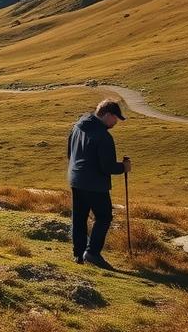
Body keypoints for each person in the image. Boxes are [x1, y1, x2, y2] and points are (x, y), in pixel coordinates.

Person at [67, 99, 132, 270]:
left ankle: (78, 255)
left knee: (79, 218)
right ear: (107, 115)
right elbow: (107, 167)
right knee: (104, 217)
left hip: (76, 179)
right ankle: (92, 253)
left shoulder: (78, 126)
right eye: (115, 118)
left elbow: (70, 152)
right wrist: (123, 167)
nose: (116, 122)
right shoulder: (103, 136)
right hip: (94, 184)